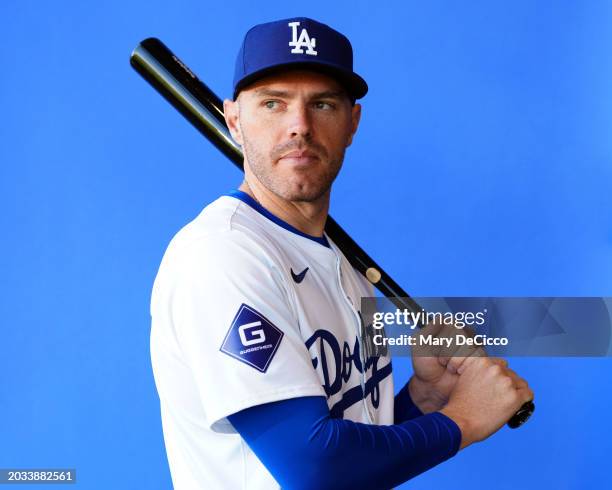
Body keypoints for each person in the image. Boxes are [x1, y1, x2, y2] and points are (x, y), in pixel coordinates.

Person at [150, 17, 534, 489]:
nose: (300, 127)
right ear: (234, 120)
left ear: (351, 123)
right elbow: (315, 467)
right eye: (273, 103)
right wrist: (463, 420)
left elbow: (359, 440)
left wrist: (425, 399)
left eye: (323, 104)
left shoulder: (346, 269)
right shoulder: (222, 257)